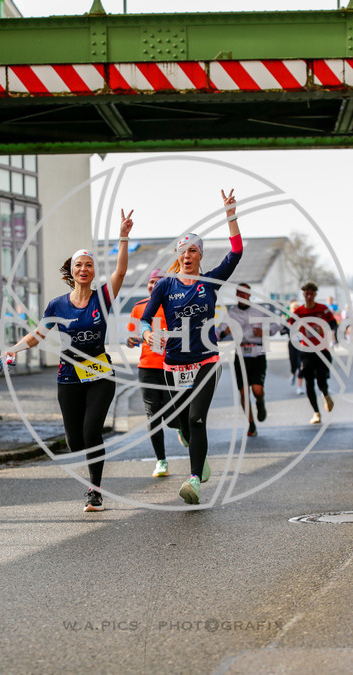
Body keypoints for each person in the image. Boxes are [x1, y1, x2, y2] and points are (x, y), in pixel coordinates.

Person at [0, 210, 134, 512]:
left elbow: (122, 273)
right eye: (78, 265)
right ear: (71, 271)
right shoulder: (57, 304)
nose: (84, 269)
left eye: (89, 265)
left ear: (93, 271)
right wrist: (14, 349)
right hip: (68, 378)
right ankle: (89, 462)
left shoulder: (103, 298)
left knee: (91, 432)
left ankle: (94, 491)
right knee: (75, 442)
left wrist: (123, 236)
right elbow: (38, 334)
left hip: (100, 375)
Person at [139, 189, 242, 505]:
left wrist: (230, 215)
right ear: (177, 256)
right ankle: (193, 446)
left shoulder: (210, 282)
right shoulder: (165, 285)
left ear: (200, 255)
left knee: (197, 419)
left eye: (193, 251)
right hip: (173, 364)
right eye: (183, 251)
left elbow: (236, 252)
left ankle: (195, 480)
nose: (187, 256)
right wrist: (146, 335)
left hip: (206, 361)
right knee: (178, 421)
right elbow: (144, 320)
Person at [126, 269, 173, 477]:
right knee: (152, 415)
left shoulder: (174, 304)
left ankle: (182, 428)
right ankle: (161, 460)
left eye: (158, 282)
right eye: (151, 282)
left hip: (172, 366)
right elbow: (132, 336)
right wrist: (131, 340)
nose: (154, 286)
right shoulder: (139, 308)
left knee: (173, 413)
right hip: (147, 366)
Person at [219, 283, 282, 437]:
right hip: (240, 354)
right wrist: (224, 331)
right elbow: (218, 332)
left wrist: (264, 331)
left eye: (245, 293)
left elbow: (277, 324)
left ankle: (260, 403)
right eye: (239, 293)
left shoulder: (260, 311)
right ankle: (251, 424)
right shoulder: (232, 314)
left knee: (257, 390)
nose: (242, 296)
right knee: (243, 393)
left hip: (258, 353)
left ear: (250, 295)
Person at [291, 282, 338, 425]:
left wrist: (323, 327)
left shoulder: (322, 309)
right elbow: (290, 327)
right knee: (309, 382)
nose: (309, 296)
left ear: (315, 294)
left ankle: (325, 394)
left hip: (322, 350)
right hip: (306, 351)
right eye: (307, 294)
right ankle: (316, 413)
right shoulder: (298, 312)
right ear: (303, 295)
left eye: (312, 294)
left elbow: (334, 324)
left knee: (321, 380)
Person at [287, 299, 305, 395]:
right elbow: (282, 331)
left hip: (301, 344)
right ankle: (293, 373)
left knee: (301, 365)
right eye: (293, 308)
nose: (295, 309)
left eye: (297, 308)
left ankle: (299, 387)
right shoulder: (287, 320)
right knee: (294, 364)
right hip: (292, 345)